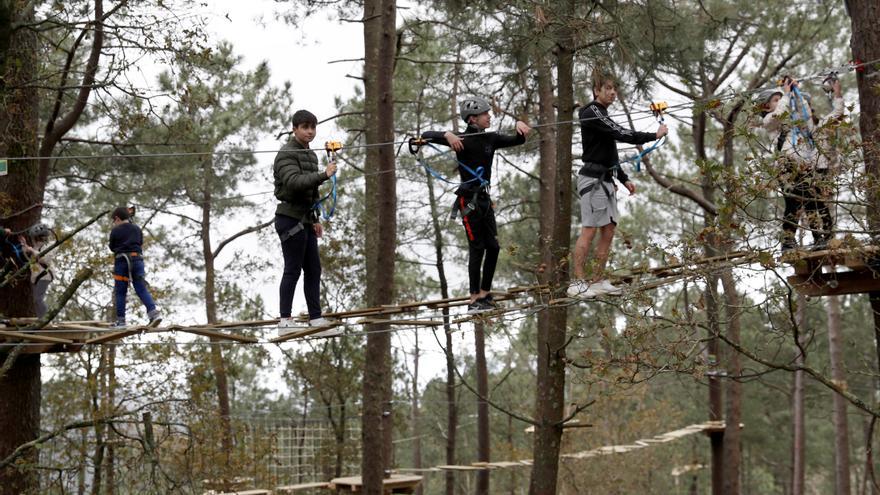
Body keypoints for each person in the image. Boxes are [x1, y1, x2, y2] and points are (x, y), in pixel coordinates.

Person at [421, 97, 531, 313]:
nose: (490, 116)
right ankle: (473, 300)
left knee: (494, 247)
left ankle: (484, 294)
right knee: (477, 247)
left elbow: (517, 141)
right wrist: (447, 134)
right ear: (473, 119)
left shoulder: (491, 139)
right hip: (468, 200)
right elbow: (424, 136)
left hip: (484, 199)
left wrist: (520, 127)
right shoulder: (459, 139)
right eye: (485, 114)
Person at [568, 73, 668, 298]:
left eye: (615, 89)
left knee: (609, 230)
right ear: (596, 91)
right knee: (590, 230)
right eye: (608, 88)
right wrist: (653, 135)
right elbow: (619, 132)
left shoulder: (603, 115)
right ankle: (577, 282)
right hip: (592, 179)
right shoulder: (591, 111)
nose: (613, 92)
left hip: (605, 179)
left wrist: (623, 179)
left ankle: (597, 280)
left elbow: (610, 152)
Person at [273, 109, 339, 336]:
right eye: (305, 127)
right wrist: (324, 175)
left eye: (313, 127)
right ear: (295, 129)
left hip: (305, 218)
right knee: (292, 269)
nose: (310, 132)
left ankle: (316, 319)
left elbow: (311, 192)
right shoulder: (285, 154)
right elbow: (293, 183)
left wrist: (315, 219)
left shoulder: (310, 154)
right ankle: (284, 320)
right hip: (289, 218)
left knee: (314, 269)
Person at [759, 76, 845, 251]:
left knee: (814, 203)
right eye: (775, 100)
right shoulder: (770, 122)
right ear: (765, 107)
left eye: (779, 99)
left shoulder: (809, 128)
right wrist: (786, 93)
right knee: (793, 205)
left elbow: (829, 115)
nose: (780, 101)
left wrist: (837, 95)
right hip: (788, 169)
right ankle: (788, 241)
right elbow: (781, 114)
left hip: (809, 169)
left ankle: (823, 237)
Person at [109, 206, 161, 328]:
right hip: (137, 259)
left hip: (122, 261)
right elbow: (140, 243)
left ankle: (121, 321)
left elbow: (112, 247)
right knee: (141, 288)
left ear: (117, 218)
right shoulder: (137, 229)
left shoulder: (115, 231)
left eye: (114, 221)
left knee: (121, 291)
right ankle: (154, 314)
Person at [20, 223, 53, 318]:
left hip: (45, 275)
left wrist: (32, 251)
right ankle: (41, 319)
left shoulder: (50, 246)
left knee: (38, 299)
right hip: (36, 276)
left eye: (36, 238)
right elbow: (28, 258)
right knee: (36, 300)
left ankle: (46, 319)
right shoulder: (35, 248)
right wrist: (24, 245)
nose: (34, 240)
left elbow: (45, 260)